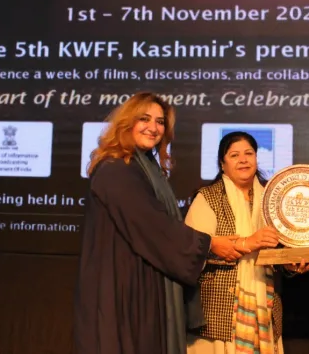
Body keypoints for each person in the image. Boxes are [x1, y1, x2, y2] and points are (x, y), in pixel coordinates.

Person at [74, 92, 244, 354]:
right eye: (144, 119)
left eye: (160, 122)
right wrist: (208, 244)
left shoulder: (145, 167)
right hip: (121, 288)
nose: (153, 128)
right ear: (126, 122)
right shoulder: (115, 169)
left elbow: (159, 221)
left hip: (141, 280)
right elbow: (152, 225)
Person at [185, 131, 309, 354]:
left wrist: (292, 265)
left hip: (264, 308)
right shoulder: (207, 198)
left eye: (249, 153)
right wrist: (247, 243)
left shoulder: (273, 198)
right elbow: (192, 252)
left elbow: (280, 254)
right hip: (219, 314)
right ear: (222, 164)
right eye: (234, 155)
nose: (243, 160)